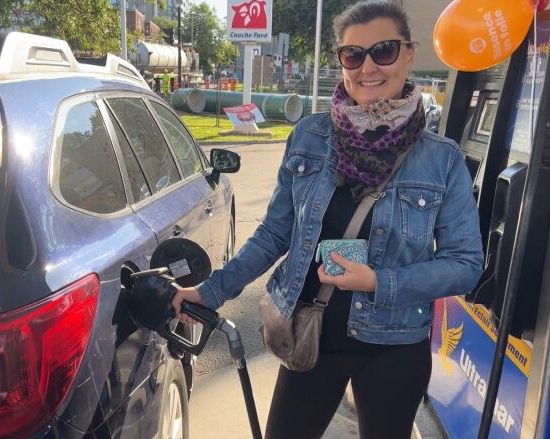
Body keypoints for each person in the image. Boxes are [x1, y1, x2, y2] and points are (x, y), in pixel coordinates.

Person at [172, 2, 483, 438]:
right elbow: (274, 234)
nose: (368, 67)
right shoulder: (310, 137)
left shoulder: (441, 159)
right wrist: (212, 291)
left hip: (393, 348)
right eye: (353, 55)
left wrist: (378, 281)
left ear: (409, 55)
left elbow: (466, 264)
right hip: (308, 336)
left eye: (384, 51)